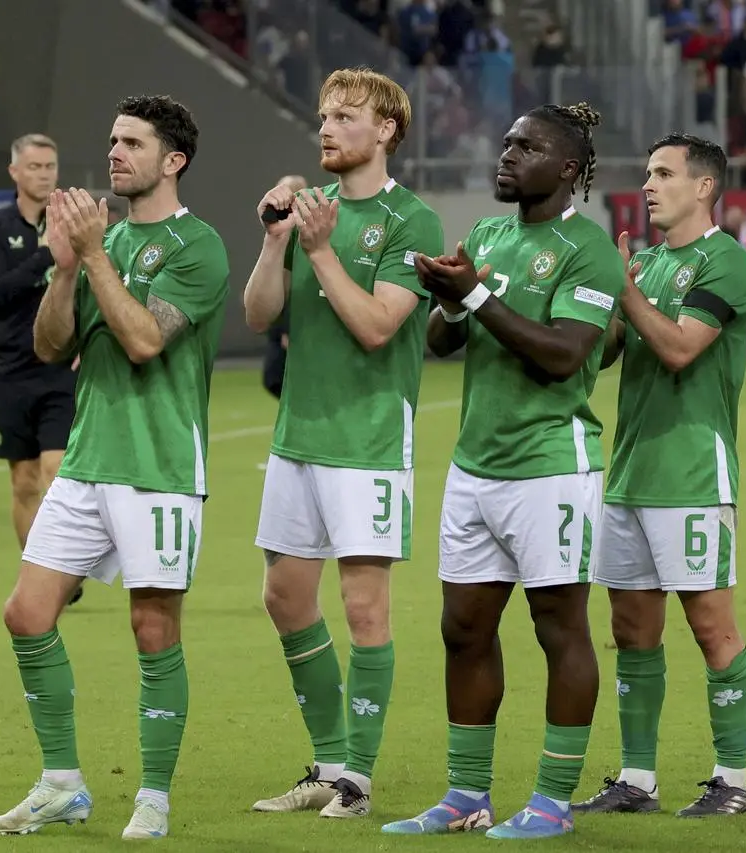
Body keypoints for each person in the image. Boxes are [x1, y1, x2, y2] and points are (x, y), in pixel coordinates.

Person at [0, 95, 229, 841]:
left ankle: (152, 795)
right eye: (113, 139)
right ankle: (62, 782)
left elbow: (147, 339)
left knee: (153, 629)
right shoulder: (104, 242)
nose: (114, 152)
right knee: (25, 613)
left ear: (173, 160)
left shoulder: (199, 246)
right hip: (89, 458)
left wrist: (90, 255)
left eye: (132, 143)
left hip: (158, 467)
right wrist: (64, 271)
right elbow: (53, 347)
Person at [382, 102, 625, 840]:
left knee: (559, 627)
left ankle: (552, 800)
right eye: (508, 141)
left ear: (569, 170)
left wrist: (477, 295)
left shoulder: (589, 250)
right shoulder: (488, 233)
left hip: (550, 466)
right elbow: (441, 339)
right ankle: (465, 794)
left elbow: (563, 355)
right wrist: (451, 300)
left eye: (527, 146)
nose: (508, 153)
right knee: (463, 628)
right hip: (474, 467)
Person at [242, 68, 445, 820]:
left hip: (367, 441)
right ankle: (326, 763)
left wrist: (321, 250)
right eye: (323, 114)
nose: (327, 127)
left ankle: (356, 779)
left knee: (365, 610)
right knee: (285, 596)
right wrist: (275, 243)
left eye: (346, 116)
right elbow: (261, 315)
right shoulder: (308, 214)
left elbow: (378, 325)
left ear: (387, 130)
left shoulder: (410, 221)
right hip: (299, 435)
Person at [574, 133, 746, 818]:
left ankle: (732, 779)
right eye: (647, 173)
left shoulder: (727, 261)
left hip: (691, 474)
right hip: (630, 472)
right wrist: (600, 301)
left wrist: (625, 290)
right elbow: (606, 354)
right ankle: (637, 779)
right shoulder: (645, 263)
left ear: (704, 186)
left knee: (712, 626)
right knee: (631, 629)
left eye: (664, 173)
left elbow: (681, 347)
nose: (648, 184)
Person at [0, 135, 80, 552]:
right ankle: (35, 568)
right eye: (34, 167)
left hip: (59, 369)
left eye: (50, 166)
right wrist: (45, 255)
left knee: (57, 470)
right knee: (24, 483)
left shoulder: (76, 225)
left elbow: (93, 283)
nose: (43, 174)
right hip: (11, 370)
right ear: (14, 172)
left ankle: (62, 566)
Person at [260, 174, 306, 400]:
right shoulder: (277, 236)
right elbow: (257, 318)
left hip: (297, 327)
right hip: (277, 327)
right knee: (273, 379)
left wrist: (289, 329)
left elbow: (300, 291)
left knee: (278, 378)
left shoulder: (308, 239)